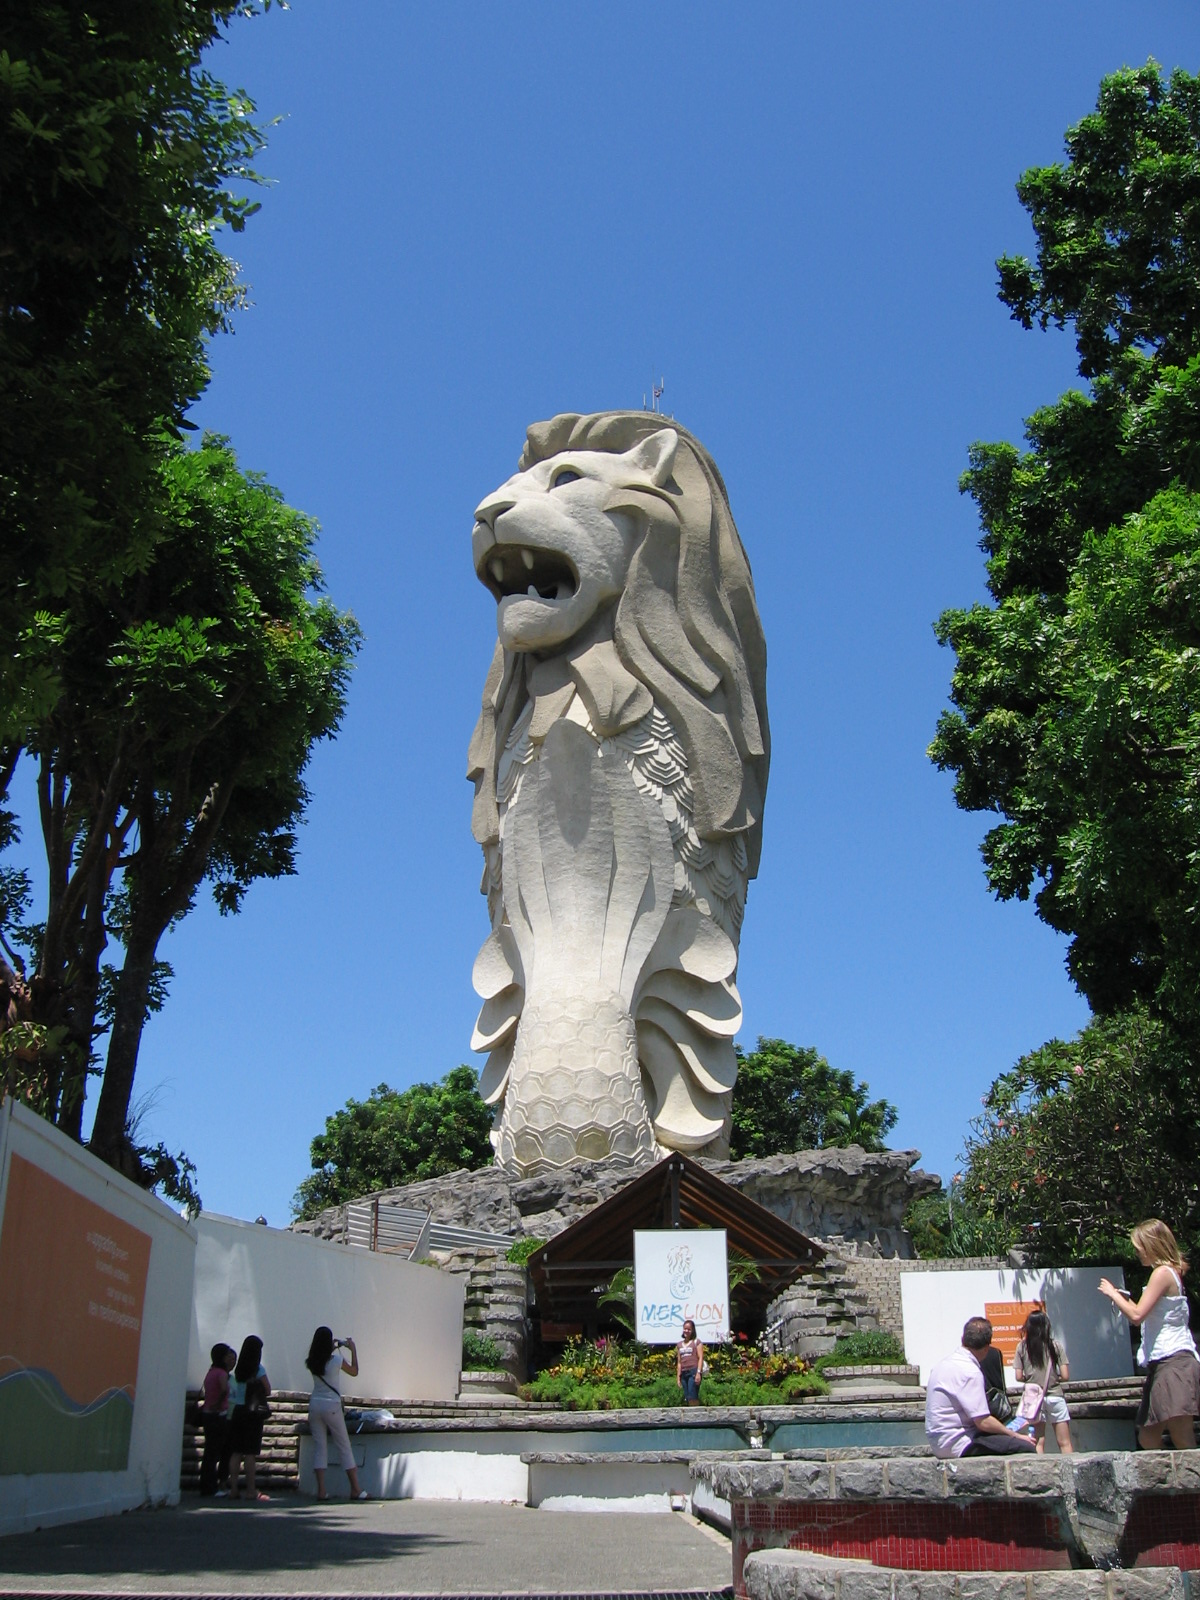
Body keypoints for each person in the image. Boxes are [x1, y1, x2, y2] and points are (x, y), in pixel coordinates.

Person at [1099, 1219, 1199, 1451]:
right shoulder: (1166, 1273)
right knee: (1147, 1436)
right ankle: (1173, 1483)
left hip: (1174, 1361)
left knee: (1182, 1436)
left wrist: (1113, 1294)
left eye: (1139, 1247)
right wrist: (1123, 1300)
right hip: (1163, 1362)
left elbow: (1136, 1316)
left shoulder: (1162, 1273)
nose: (1136, 1253)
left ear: (1151, 1244)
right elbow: (1142, 1313)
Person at [925, 1316, 1037, 1458]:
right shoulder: (970, 1371)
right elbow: (983, 1422)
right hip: (958, 1443)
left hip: (939, 1441)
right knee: (1025, 1447)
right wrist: (1015, 1436)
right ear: (986, 1348)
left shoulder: (942, 1365)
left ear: (962, 1339)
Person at [305, 1326, 368, 1501]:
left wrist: (330, 1348)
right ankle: (356, 1488)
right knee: (343, 1445)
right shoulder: (336, 1361)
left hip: (315, 1404)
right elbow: (354, 1371)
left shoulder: (311, 1361)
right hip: (331, 1405)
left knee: (320, 1447)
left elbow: (321, 1359)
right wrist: (352, 1349)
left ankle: (321, 1490)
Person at [1013, 1310, 1073, 1454]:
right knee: (1064, 1442)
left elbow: (1018, 1376)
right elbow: (1065, 1376)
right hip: (1055, 1396)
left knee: (1038, 1442)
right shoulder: (1055, 1346)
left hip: (1035, 1400)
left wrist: (1031, 1379)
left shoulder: (1022, 1347)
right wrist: (1054, 1378)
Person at [228, 1335, 272, 1501]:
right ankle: (251, 1490)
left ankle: (233, 1489)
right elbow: (267, 1389)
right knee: (250, 1453)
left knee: (236, 1452)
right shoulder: (258, 1369)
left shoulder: (239, 1370)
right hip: (252, 1412)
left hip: (238, 1411)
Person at [199, 1343, 236, 1496]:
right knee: (214, 1452)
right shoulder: (221, 1373)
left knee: (209, 1452)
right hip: (218, 1415)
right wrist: (219, 1403)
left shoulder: (211, 1372)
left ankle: (206, 1485)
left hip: (207, 1414)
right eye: (228, 1356)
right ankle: (211, 1487)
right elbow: (223, 1390)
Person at [676, 1320, 704, 1406]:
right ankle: (691, 1414)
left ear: (692, 1330)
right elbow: (679, 1362)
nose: (686, 1331)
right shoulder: (679, 1345)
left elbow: (700, 1358)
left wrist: (698, 1373)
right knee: (687, 1396)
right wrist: (678, 1377)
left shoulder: (696, 1342)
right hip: (684, 1373)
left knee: (693, 1395)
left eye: (689, 1329)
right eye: (685, 1329)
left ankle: (695, 1414)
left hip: (693, 1372)